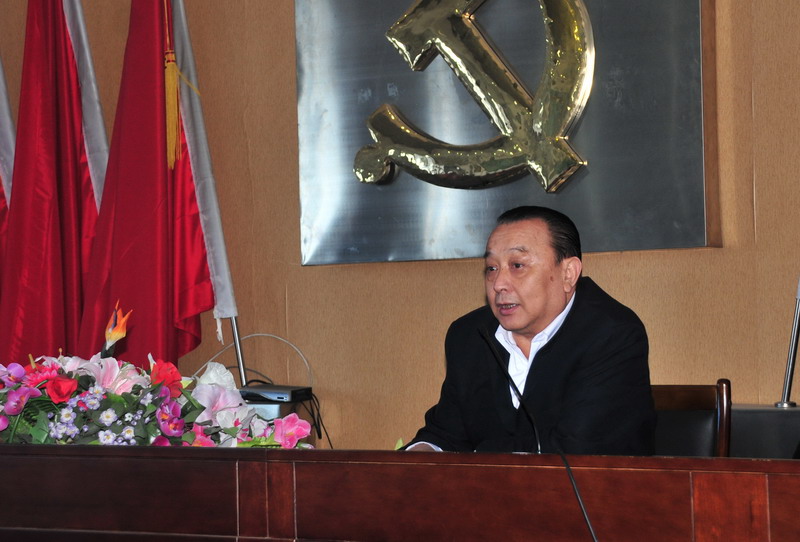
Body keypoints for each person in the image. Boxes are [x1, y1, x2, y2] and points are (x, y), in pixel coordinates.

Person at [407, 206, 655, 454]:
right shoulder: (469, 335)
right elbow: (446, 433)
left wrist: (474, 460)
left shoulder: (612, 335)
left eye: (517, 265)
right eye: (492, 268)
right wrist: (414, 459)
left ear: (568, 274)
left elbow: (576, 452)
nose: (499, 284)